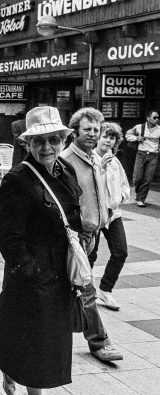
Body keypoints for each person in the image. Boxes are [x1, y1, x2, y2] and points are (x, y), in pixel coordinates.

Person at [0, 106, 81, 395]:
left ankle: (8, 366)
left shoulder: (67, 171)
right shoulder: (18, 180)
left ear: (63, 140)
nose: (46, 147)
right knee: (39, 341)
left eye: (53, 140)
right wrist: (30, 271)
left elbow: (74, 217)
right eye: (39, 141)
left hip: (61, 271)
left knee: (31, 332)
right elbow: (7, 237)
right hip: (33, 274)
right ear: (28, 144)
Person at [61, 107, 124, 363]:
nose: (93, 134)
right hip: (76, 238)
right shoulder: (66, 160)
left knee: (75, 287)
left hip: (93, 236)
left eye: (96, 130)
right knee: (85, 287)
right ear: (75, 130)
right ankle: (99, 341)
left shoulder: (96, 158)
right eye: (87, 129)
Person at [89, 122, 130, 311]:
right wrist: (101, 169)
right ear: (98, 137)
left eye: (112, 138)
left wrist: (120, 198)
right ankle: (84, 292)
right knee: (90, 254)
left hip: (113, 214)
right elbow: (89, 185)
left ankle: (105, 290)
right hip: (95, 213)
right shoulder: (90, 158)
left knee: (120, 252)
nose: (108, 140)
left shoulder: (115, 160)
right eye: (105, 136)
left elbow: (124, 185)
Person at [125, 109, 159, 207]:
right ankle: (137, 192)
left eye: (158, 118)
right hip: (141, 154)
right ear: (148, 118)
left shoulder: (159, 129)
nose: (157, 119)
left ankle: (141, 198)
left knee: (148, 179)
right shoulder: (139, 127)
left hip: (153, 155)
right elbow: (128, 134)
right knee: (137, 178)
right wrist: (136, 138)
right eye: (154, 117)